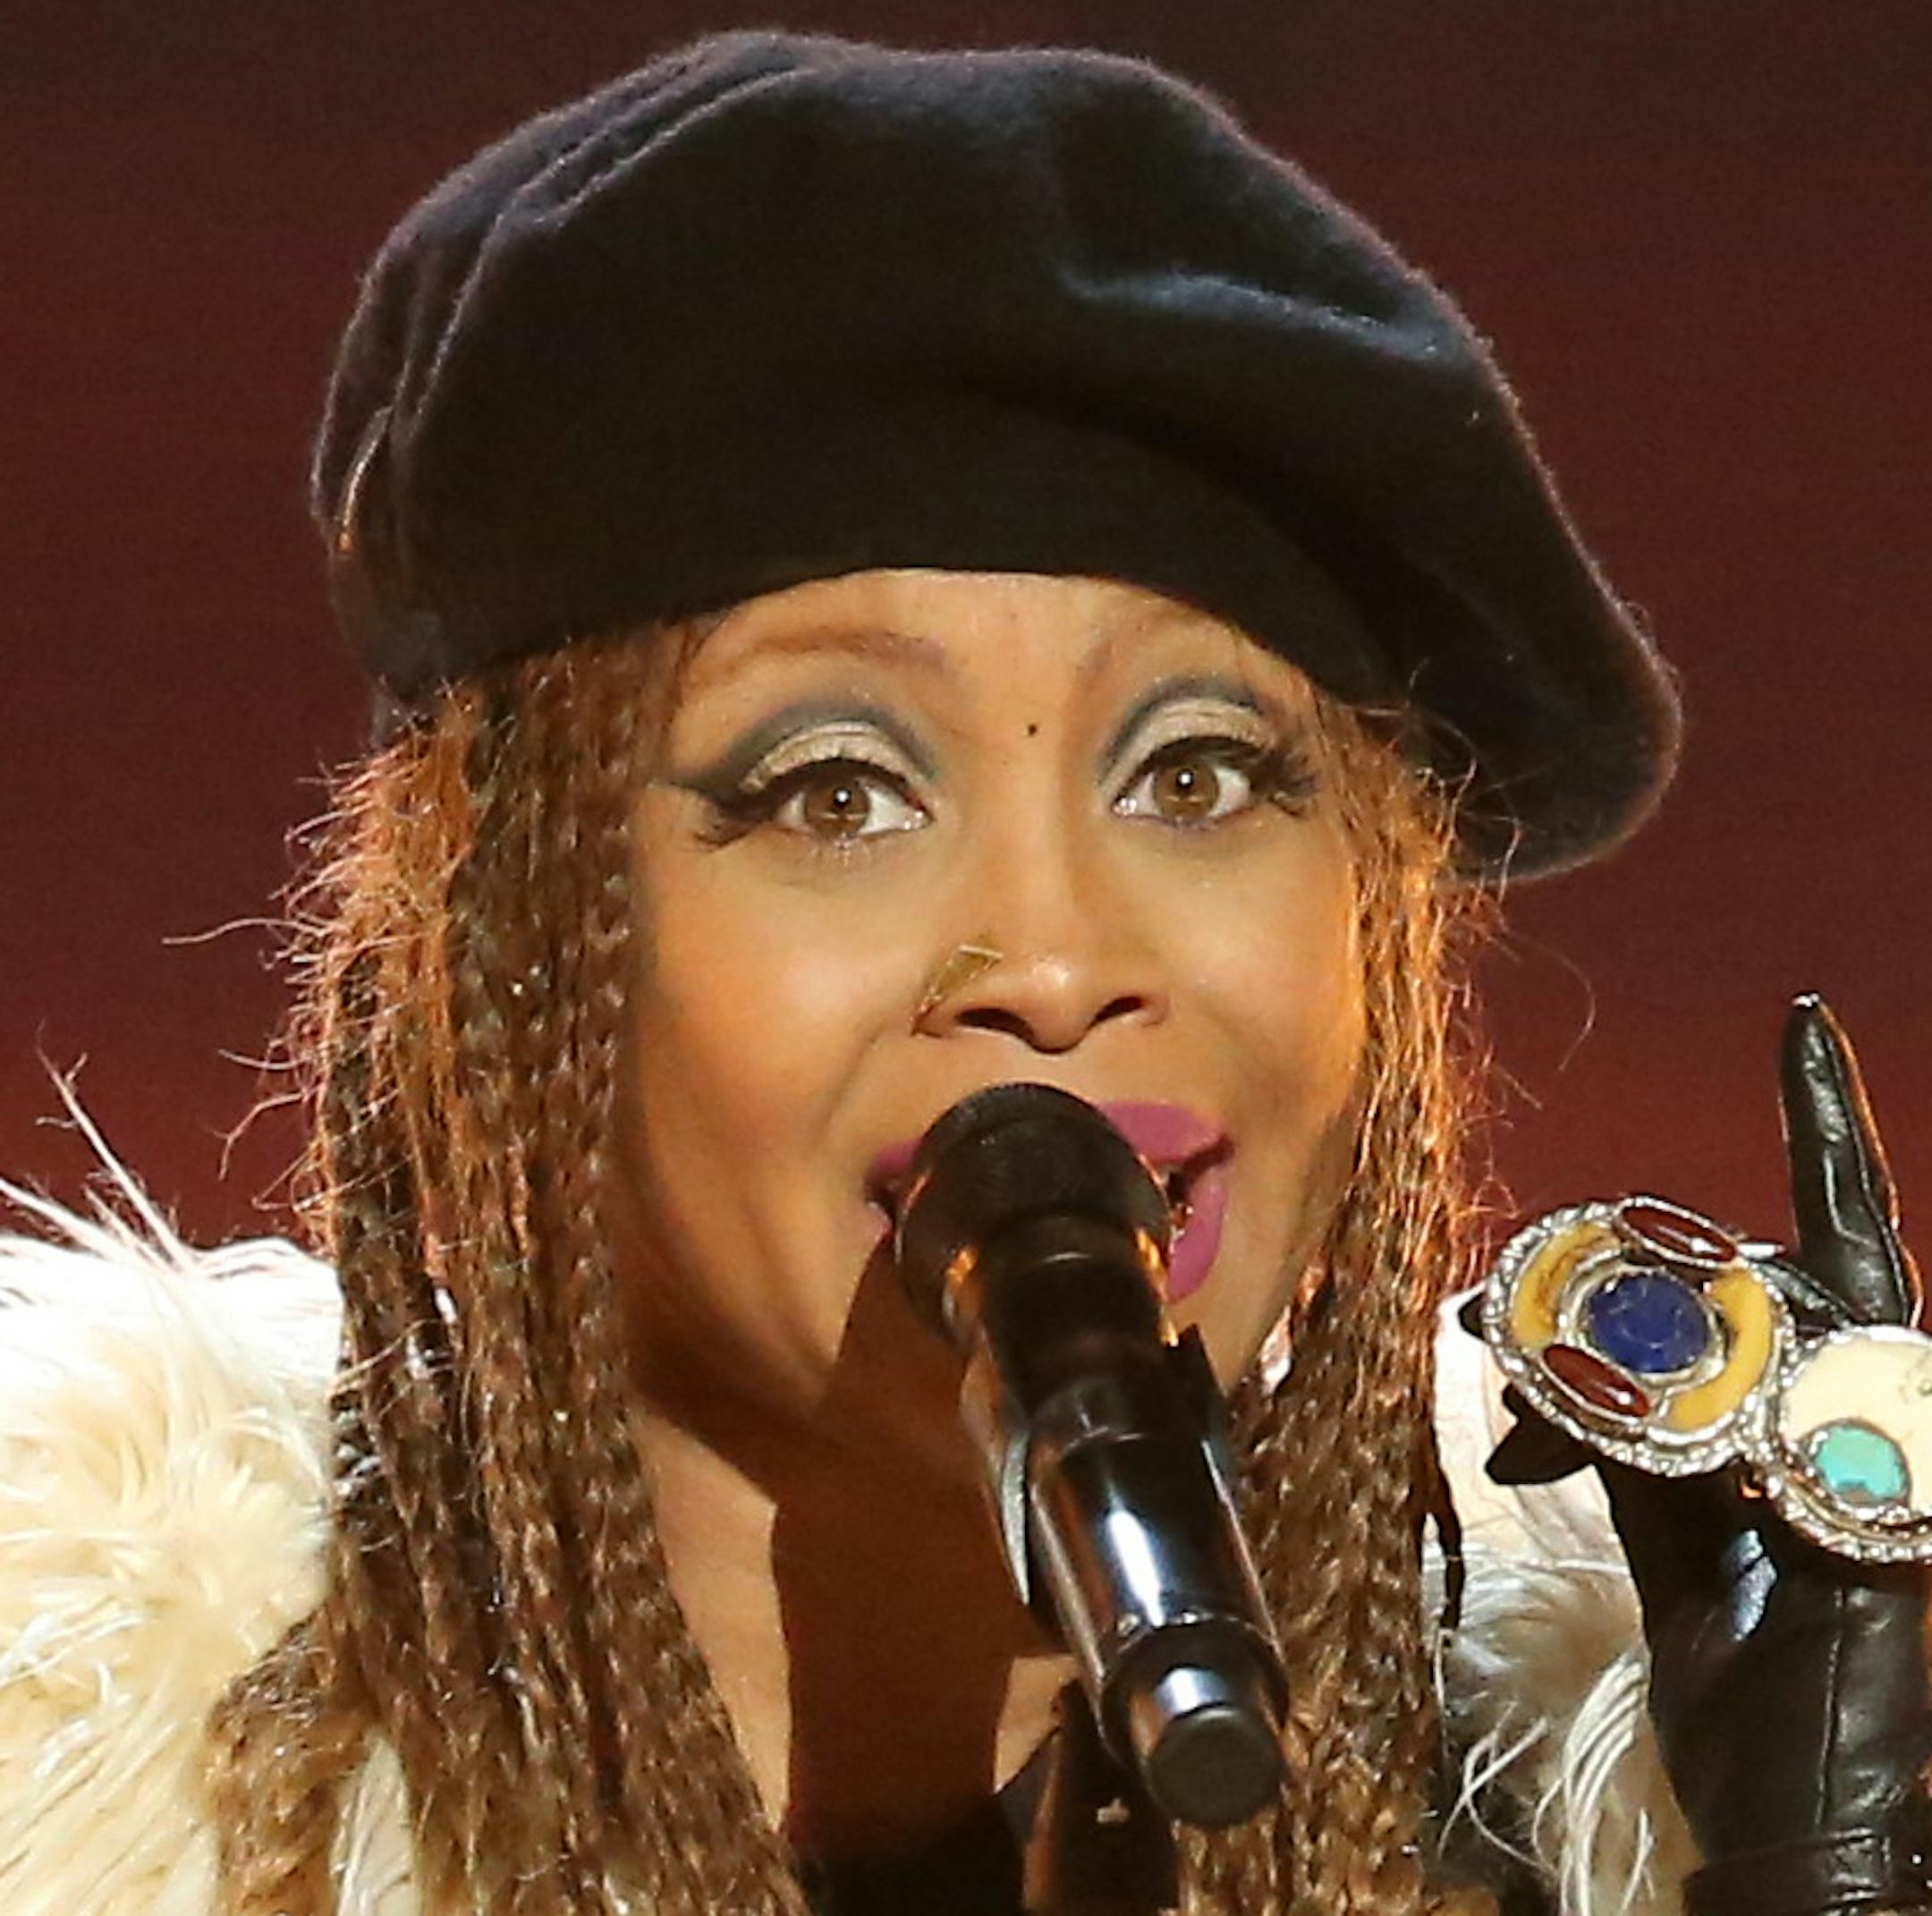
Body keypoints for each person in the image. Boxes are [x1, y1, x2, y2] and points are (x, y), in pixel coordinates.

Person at [1, 29, 1925, 1916]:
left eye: (1199, 774)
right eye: (836, 790)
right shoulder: (72, 1764)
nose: (1061, 965)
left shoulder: (1606, 1816)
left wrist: (1818, 1883)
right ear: (493, 964)